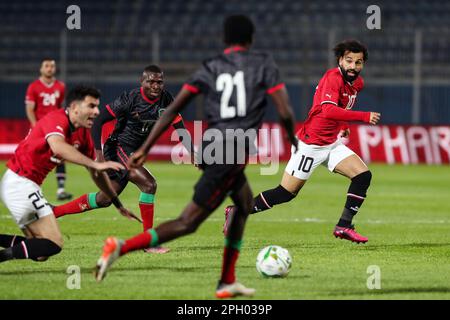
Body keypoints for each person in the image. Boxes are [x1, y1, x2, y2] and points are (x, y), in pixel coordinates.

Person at [94, 15, 298, 299]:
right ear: (250, 40)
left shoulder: (210, 68)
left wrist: (144, 149)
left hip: (220, 147)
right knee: (187, 223)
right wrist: (292, 137)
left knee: (243, 204)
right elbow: (285, 111)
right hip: (230, 153)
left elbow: (170, 111)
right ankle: (121, 247)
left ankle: (227, 281)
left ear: (225, 40)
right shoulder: (263, 64)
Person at [224, 39, 381, 244]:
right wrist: (364, 117)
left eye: (358, 62)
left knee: (362, 176)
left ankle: (344, 226)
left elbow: (340, 108)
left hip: (331, 144)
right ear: (340, 60)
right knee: (286, 193)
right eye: (349, 61)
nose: (353, 66)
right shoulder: (332, 78)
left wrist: (344, 124)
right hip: (310, 145)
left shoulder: (357, 84)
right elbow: (327, 109)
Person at [51, 65, 195, 254]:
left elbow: (180, 127)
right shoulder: (129, 99)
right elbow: (99, 121)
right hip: (117, 147)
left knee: (104, 199)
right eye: (151, 81)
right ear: (141, 82)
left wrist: (192, 153)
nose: (155, 86)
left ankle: (54, 212)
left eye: (159, 82)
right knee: (149, 184)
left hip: (133, 153)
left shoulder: (167, 99)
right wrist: (99, 155)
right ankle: (148, 242)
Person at [0, 86, 136, 263]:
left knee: (41, 251)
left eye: (97, 107)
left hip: (25, 185)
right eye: (91, 106)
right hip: (19, 183)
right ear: (74, 107)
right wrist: (95, 163)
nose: (96, 112)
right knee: (53, 243)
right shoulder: (55, 118)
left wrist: (117, 203)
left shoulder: (84, 135)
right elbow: (58, 147)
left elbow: (96, 174)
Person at [25, 58, 72, 201]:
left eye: (52, 66)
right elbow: (30, 109)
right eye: (47, 66)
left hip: (55, 127)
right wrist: (34, 126)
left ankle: (61, 190)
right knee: (34, 157)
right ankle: (31, 190)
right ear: (41, 69)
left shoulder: (61, 86)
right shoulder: (33, 87)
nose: (50, 68)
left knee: (60, 155)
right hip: (40, 128)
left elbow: (59, 107)